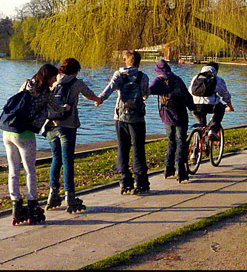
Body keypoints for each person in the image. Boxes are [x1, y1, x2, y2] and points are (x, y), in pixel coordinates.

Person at [2, 63, 68, 225]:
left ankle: (16, 206)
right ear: (47, 78)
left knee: (13, 170)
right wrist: (66, 108)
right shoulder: (46, 93)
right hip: (24, 134)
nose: (55, 82)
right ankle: (32, 205)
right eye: (53, 78)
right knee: (30, 170)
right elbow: (56, 110)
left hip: (8, 131)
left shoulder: (26, 83)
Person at [43, 57, 103, 213]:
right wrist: (97, 100)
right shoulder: (77, 83)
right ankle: (70, 197)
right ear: (76, 71)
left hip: (51, 126)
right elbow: (89, 94)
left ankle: (53, 194)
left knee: (56, 159)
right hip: (67, 126)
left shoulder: (54, 81)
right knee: (68, 161)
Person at [97, 50, 152, 195]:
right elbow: (146, 94)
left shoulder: (118, 75)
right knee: (138, 149)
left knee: (122, 148)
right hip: (137, 119)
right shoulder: (143, 77)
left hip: (120, 117)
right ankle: (140, 181)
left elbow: (109, 88)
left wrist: (100, 99)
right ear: (138, 63)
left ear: (126, 61)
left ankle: (124, 180)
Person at [149, 59, 195, 183]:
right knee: (181, 141)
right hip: (181, 114)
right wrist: (193, 109)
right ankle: (181, 172)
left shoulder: (159, 80)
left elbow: (150, 90)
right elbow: (187, 96)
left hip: (168, 115)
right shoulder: (178, 79)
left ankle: (169, 169)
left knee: (171, 141)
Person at [189, 61, 234, 139]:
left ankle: (198, 142)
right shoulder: (218, 79)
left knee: (201, 124)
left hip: (194, 106)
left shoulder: (196, 78)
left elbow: (190, 91)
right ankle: (212, 130)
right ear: (216, 70)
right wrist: (229, 105)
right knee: (220, 108)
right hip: (209, 106)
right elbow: (225, 94)